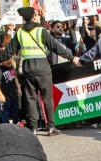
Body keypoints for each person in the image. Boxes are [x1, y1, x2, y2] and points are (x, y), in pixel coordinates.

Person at [15, 6, 74, 135]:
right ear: (33, 17)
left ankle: (34, 128)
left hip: (28, 70)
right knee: (47, 98)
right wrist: (71, 57)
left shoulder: (19, 32)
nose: (37, 16)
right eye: (36, 14)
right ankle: (51, 127)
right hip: (42, 68)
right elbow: (55, 47)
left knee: (30, 99)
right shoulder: (41, 31)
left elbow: (9, 50)